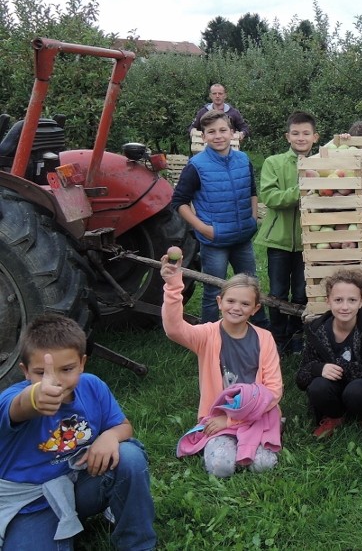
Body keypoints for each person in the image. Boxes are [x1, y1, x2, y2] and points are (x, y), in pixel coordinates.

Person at [0, 315, 156, 550]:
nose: (56, 381)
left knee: (130, 456)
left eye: (67, 369)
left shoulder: (92, 385)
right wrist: (35, 396)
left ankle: (138, 544)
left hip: (80, 483)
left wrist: (110, 436)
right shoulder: (11, 399)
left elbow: (124, 425)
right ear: (25, 371)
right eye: (42, 372)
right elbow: (19, 406)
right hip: (31, 502)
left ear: (82, 363)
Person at [161, 256, 283, 477]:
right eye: (231, 301)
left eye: (245, 304)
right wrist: (172, 285)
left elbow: (273, 391)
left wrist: (231, 419)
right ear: (219, 302)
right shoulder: (207, 335)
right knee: (220, 468)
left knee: (263, 466)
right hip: (217, 418)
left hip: (256, 416)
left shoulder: (264, 339)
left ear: (255, 309)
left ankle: (261, 431)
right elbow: (174, 329)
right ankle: (229, 441)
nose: (236, 308)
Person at [171, 109, 269, 327]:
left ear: (232, 132)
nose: (218, 135)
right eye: (211, 132)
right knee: (213, 289)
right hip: (215, 242)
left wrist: (253, 218)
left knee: (250, 287)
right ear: (204, 136)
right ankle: (208, 337)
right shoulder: (197, 165)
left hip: (243, 238)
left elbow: (252, 190)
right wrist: (204, 229)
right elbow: (179, 202)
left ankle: (260, 332)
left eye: (223, 130)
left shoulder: (243, 160)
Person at [296, 269, 362, 438]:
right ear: (328, 301)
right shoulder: (317, 330)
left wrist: (341, 367)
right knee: (317, 386)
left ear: (361, 302)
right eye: (338, 300)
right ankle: (333, 416)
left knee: (356, 391)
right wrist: (318, 369)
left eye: (352, 300)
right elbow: (301, 378)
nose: (345, 307)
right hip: (332, 390)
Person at [257, 111, 319, 352]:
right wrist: (302, 188)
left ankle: (296, 337)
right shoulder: (274, 163)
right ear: (287, 136)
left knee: (303, 293)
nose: (300, 138)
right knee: (277, 293)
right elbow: (270, 197)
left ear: (315, 137)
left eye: (306, 133)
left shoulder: (320, 164)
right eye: (295, 133)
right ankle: (278, 339)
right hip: (279, 241)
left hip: (309, 242)